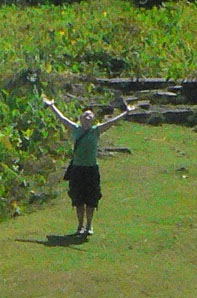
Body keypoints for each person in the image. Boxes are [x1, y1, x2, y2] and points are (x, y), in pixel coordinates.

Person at [41, 95, 137, 237]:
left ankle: (89, 225)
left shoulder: (96, 131)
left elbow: (112, 122)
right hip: (78, 169)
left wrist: (126, 112)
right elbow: (62, 119)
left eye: (90, 116)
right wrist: (51, 105)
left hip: (91, 170)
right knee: (78, 200)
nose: (87, 117)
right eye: (85, 115)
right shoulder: (75, 129)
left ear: (93, 120)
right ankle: (80, 226)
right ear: (80, 118)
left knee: (92, 200)